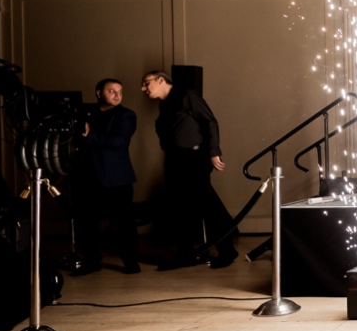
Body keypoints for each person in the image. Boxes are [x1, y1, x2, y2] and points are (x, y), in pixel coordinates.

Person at [141, 71, 238, 269]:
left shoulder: (187, 96)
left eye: (146, 83)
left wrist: (214, 152)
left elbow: (210, 121)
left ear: (160, 80)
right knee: (179, 207)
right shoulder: (164, 104)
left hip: (194, 159)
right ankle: (185, 253)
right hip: (175, 160)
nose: (143, 88)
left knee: (207, 205)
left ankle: (227, 250)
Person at [74, 78, 139, 274]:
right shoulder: (85, 113)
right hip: (88, 177)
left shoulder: (127, 115)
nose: (117, 95)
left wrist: (89, 136)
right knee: (87, 223)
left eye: (120, 91)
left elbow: (119, 141)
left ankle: (131, 263)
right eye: (112, 91)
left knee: (124, 224)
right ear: (98, 93)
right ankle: (92, 262)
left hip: (117, 178)